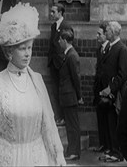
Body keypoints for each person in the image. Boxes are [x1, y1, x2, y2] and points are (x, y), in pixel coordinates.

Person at [0, 2, 66, 166]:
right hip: (6, 157)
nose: (27, 54)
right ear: (9, 52)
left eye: (30, 48)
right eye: (22, 48)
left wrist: (58, 153)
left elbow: (49, 121)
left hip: (36, 157)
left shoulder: (36, 80)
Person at [97, 21, 127, 162]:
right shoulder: (110, 47)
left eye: (108, 31)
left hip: (115, 95)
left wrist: (110, 89)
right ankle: (111, 150)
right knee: (109, 123)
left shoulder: (122, 49)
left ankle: (117, 153)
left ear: (114, 32)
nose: (106, 33)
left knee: (115, 123)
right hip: (107, 94)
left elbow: (123, 74)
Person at [58, 28, 83, 161]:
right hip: (68, 96)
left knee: (73, 126)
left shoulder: (72, 56)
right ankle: (72, 151)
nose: (59, 42)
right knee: (70, 125)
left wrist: (79, 96)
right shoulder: (69, 54)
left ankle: (74, 152)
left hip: (70, 96)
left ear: (65, 41)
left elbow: (76, 78)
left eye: (60, 40)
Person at [48, 3, 72, 126]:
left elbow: (68, 44)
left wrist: (62, 60)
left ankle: (63, 117)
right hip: (53, 64)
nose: (51, 14)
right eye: (51, 12)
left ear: (60, 13)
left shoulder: (66, 26)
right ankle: (59, 117)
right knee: (55, 90)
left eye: (53, 12)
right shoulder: (53, 26)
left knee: (61, 91)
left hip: (61, 64)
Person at [91, 22, 110, 153]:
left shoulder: (111, 49)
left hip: (107, 91)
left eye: (99, 34)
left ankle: (110, 146)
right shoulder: (99, 50)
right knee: (101, 119)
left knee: (108, 120)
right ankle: (103, 144)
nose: (97, 36)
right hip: (99, 89)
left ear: (106, 35)